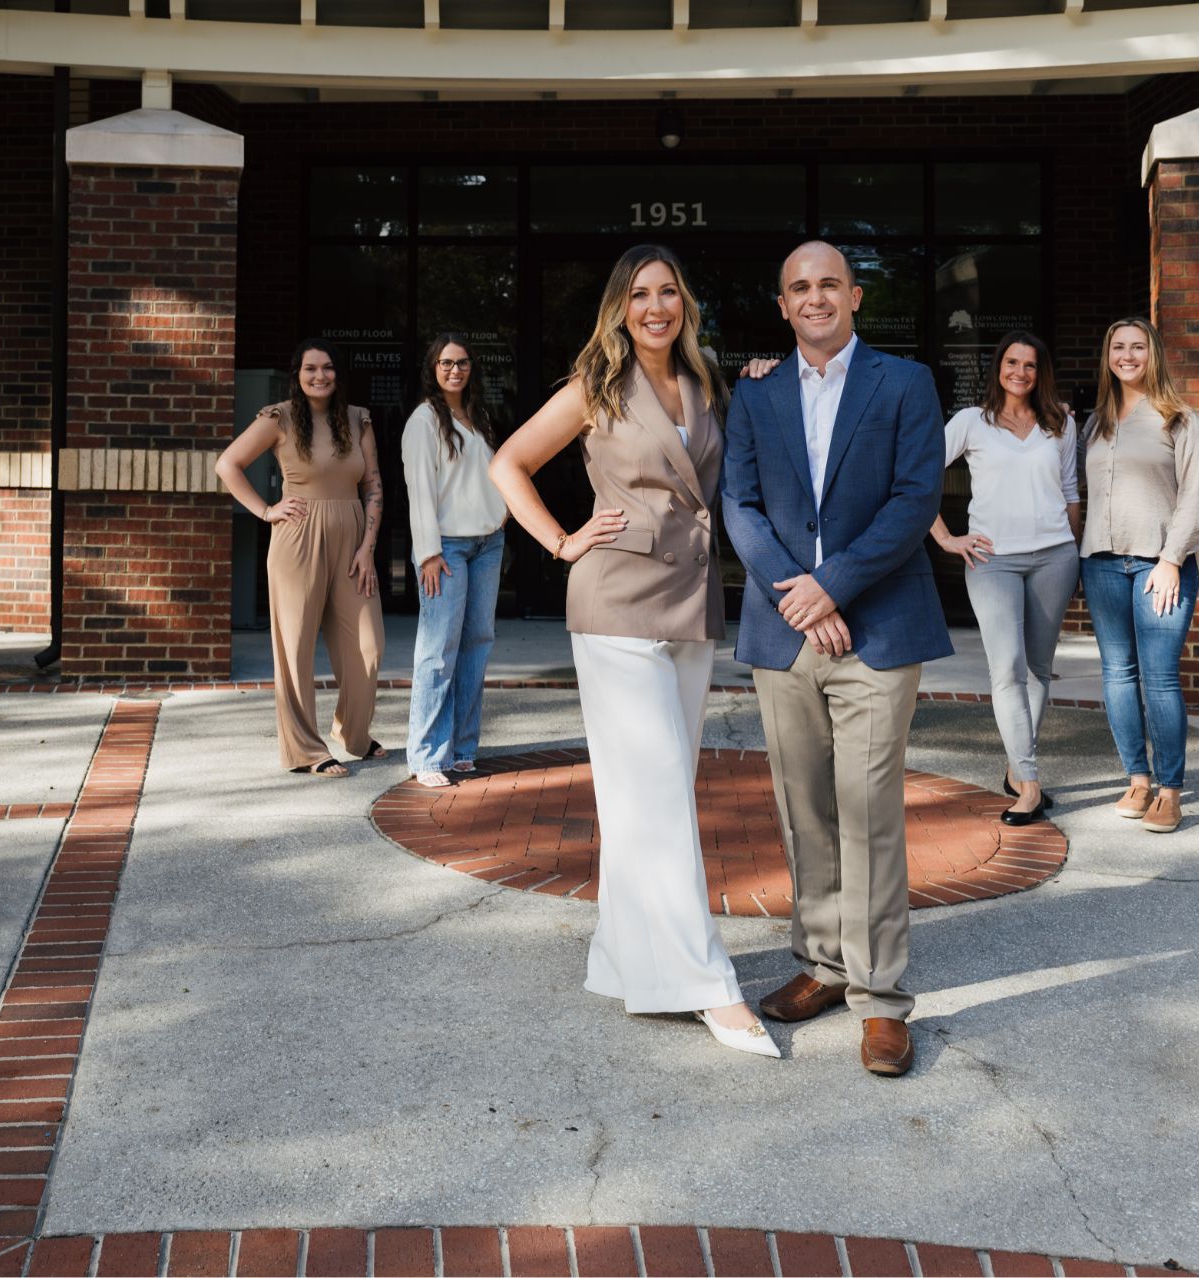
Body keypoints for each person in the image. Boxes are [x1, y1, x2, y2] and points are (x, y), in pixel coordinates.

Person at [488, 245, 779, 1060]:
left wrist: (765, 378)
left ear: (686, 302)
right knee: (657, 799)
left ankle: (624, 959)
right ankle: (708, 984)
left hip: (690, 603)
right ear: (620, 308)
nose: (657, 306)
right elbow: (508, 462)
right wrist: (559, 541)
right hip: (615, 601)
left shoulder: (710, 381)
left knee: (648, 795)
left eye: (670, 292)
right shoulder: (595, 387)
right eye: (641, 294)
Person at [721, 240, 950, 1077]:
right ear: (782, 307)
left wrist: (834, 585)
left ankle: (882, 999)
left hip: (879, 631)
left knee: (869, 811)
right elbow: (737, 502)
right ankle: (820, 963)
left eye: (828, 285)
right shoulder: (755, 393)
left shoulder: (906, 383)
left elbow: (914, 498)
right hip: (786, 633)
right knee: (803, 807)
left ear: (854, 296)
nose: (814, 298)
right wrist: (798, 593)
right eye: (798, 288)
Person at [929, 331, 1082, 828]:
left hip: (1054, 557)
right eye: (1011, 362)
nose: (1020, 372)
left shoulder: (1060, 421)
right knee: (1007, 668)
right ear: (998, 367)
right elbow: (919, 474)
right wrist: (946, 538)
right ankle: (1031, 784)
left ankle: (1017, 768)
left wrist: (1074, 550)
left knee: (1038, 668)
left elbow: (1070, 491)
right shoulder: (972, 422)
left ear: (1041, 372)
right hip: (992, 560)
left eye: (1030, 365)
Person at [216, 338, 387, 777]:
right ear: (298, 374)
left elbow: (373, 487)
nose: (320, 376)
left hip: (352, 543)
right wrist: (266, 510)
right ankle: (306, 751)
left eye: (328, 368)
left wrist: (368, 548)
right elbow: (228, 464)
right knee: (294, 648)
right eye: (310, 368)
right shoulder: (280, 418)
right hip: (296, 541)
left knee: (369, 644)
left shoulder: (358, 419)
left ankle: (353, 734)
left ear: (337, 373)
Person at [1080, 318, 1199, 834]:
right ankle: (1137, 778)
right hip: (1103, 564)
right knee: (1117, 674)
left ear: (1153, 354)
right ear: (1107, 355)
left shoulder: (1180, 420)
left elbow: (1193, 499)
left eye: (1137, 346)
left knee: (1158, 679)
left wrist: (1171, 560)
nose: (1127, 355)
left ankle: (1170, 790)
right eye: (1118, 346)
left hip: (1161, 566)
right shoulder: (1096, 423)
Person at [402, 334, 507, 789]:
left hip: (488, 543)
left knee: (477, 644)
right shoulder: (424, 420)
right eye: (446, 363)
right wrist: (426, 551)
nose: (455, 370)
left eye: (462, 363)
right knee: (438, 650)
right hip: (445, 548)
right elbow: (419, 489)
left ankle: (462, 748)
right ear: (433, 367)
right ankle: (426, 754)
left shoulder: (479, 416)